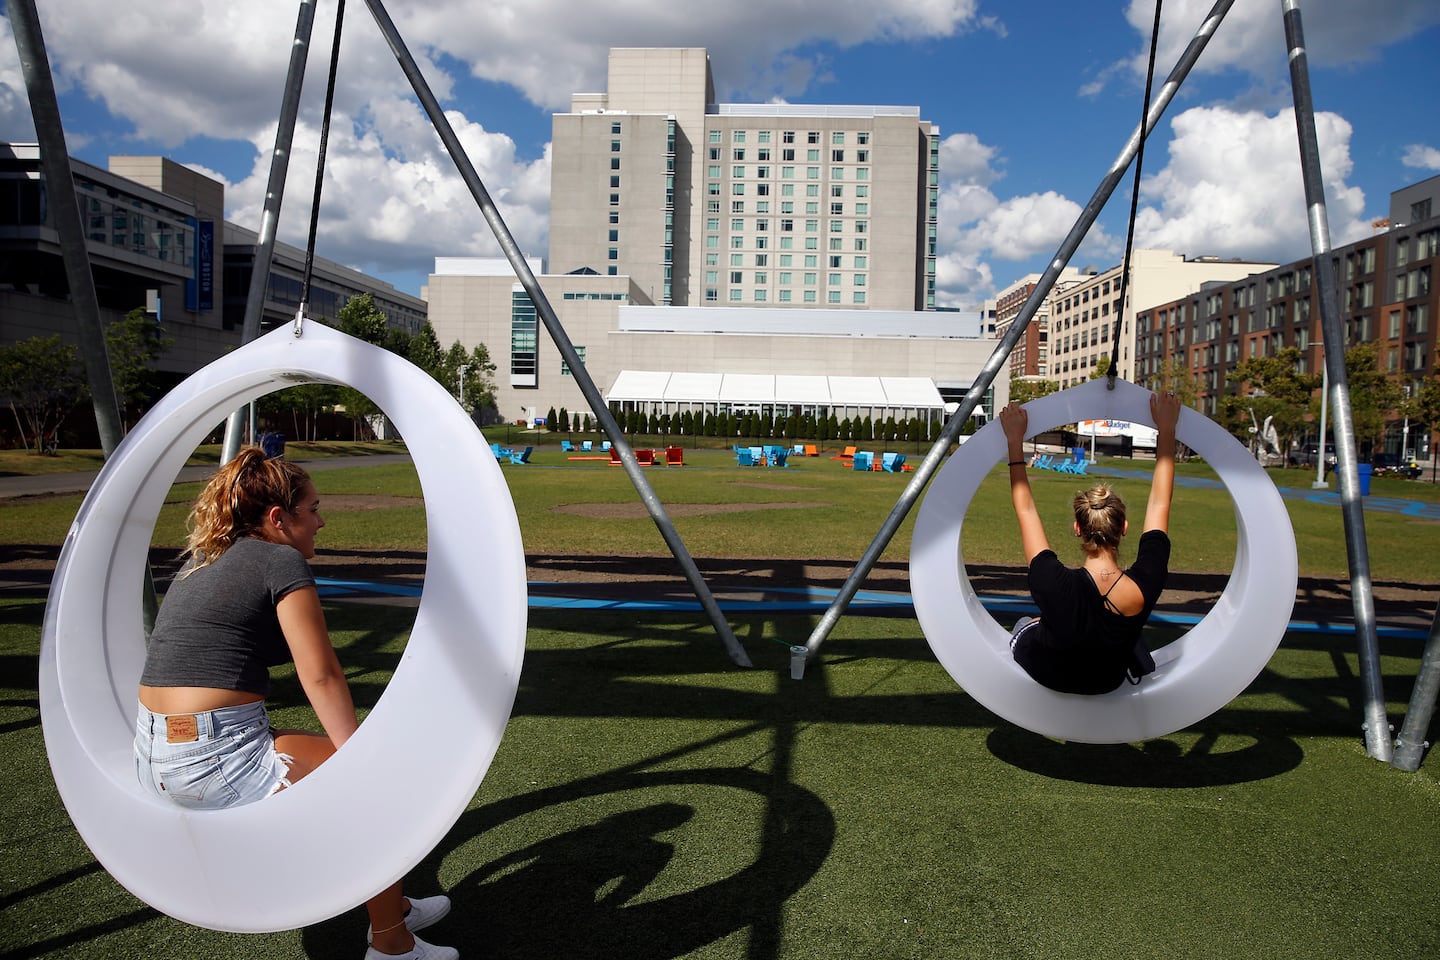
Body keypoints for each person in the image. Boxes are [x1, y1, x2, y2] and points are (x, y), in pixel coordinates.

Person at [134, 447, 457, 960]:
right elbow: (321, 674)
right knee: (374, 791)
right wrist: (358, 757)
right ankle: (393, 945)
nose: (321, 522)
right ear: (278, 519)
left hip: (155, 757)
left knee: (339, 774)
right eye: (312, 510)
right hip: (213, 758)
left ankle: (392, 906)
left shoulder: (206, 558)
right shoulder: (278, 560)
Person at [998, 392, 1182, 695]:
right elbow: (1160, 503)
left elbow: (1026, 509)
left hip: (1050, 674)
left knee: (1027, 623)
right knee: (1117, 627)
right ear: (1123, 528)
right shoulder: (1146, 582)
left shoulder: (1051, 579)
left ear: (1077, 528)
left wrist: (1014, 441)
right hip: (1106, 681)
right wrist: (1167, 428)